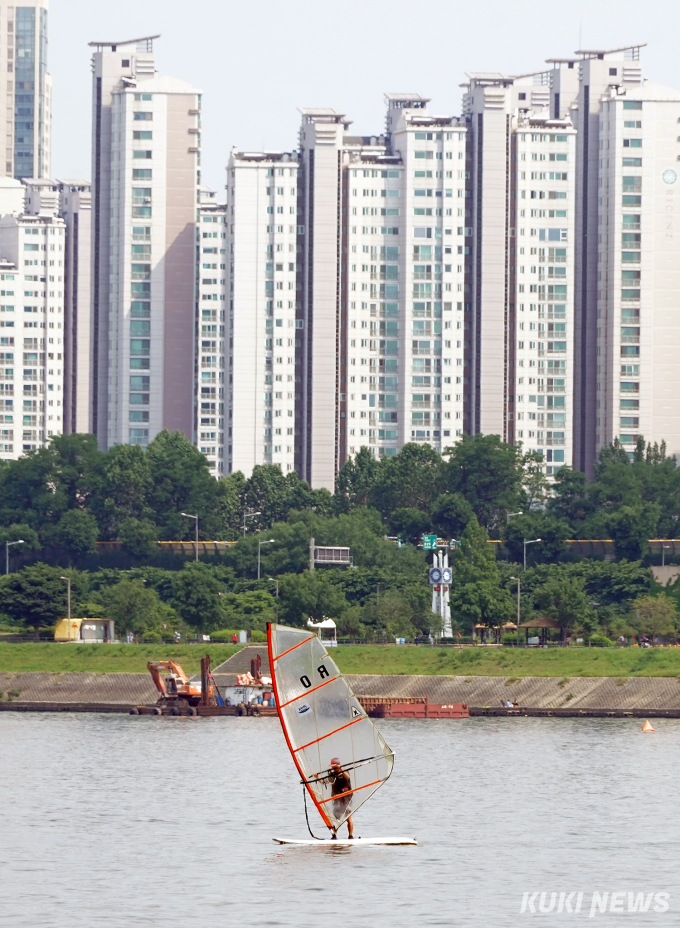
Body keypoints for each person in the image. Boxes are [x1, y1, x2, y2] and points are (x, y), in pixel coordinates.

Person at [315, 757, 354, 839]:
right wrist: (317, 777)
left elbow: (347, 777)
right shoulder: (332, 775)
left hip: (347, 798)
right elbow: (324, 782)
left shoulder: (345, 772)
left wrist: (340, 768)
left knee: (348, 817)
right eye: (332, 766)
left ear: (339, 765)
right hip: (337, 798)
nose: (333, 768)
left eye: (335, 766)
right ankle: (334, 836)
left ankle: (350, 836)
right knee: (335, 818)